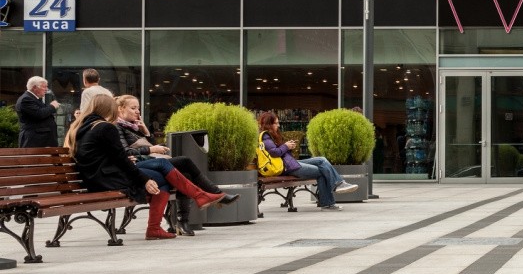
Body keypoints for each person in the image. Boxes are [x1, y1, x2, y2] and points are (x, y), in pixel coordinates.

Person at [67, 94, 224, 240]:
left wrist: (137, 144)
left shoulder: (83, 127)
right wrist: (144, 180)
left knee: (163, 170)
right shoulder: (105, 127)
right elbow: (120, 159)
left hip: (96, 177)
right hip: (108, 178)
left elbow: (104, 156)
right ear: (109, 109)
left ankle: (161, 225)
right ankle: (162, 222)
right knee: (162, 175)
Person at [115, 95, 240, 235]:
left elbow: (149, 145)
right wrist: (151, 149)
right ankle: (215, 195)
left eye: (138, 108)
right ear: (121, 109)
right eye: (133, 108)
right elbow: (126, 152)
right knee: (184, 161)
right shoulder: (117, 127)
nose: (137, 111)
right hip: (141, 166)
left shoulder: (134, 126)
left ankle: (183, 220)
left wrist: (146, 132)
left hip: (149, 162)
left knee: (185, 173)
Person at [258, 111, 358, 210]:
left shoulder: (271, 136)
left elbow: (277, 152)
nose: (278, 125)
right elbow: (274, 152)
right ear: (269, 124)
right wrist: (286, 146)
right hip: (286, 167)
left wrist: (288, 147)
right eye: (276, 123)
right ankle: (330, 199)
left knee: (322, 160)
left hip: (289, 163)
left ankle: (338, 185)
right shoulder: (266, 136)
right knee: (322, 171)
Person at [16, 76, 61, 148]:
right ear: (34, 87)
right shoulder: (26, 99)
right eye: (44, 87)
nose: (46, 89)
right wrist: (52, 106)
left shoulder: (34, 99)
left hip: (41, 141)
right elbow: (39, 114)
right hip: (35, 141)